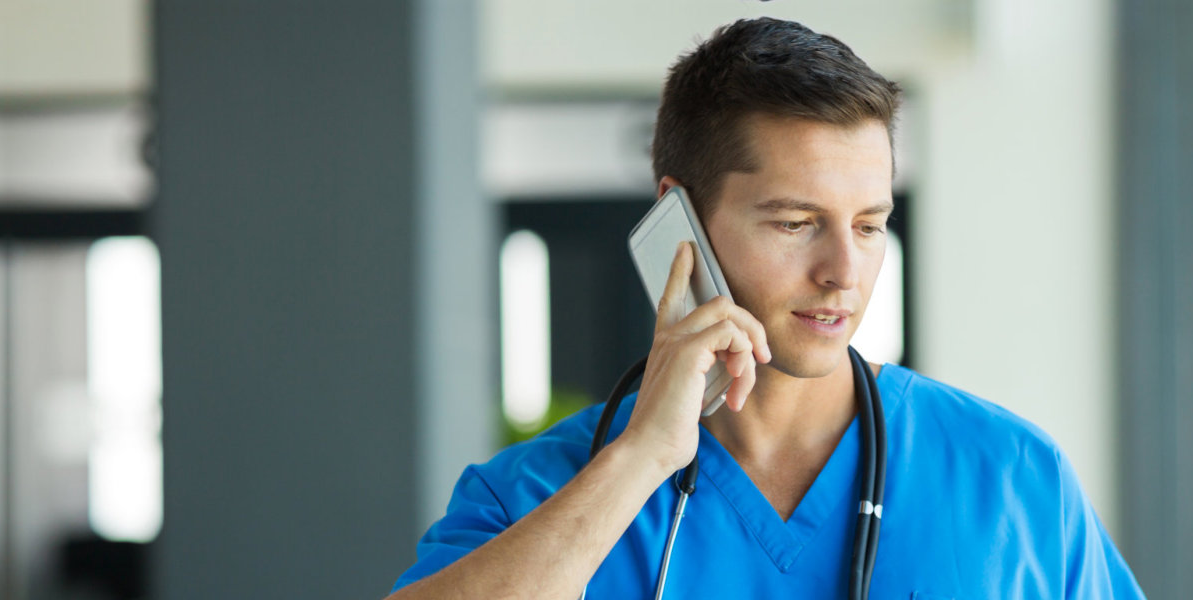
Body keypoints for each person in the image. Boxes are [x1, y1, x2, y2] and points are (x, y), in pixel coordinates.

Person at [388, 17, 1142, 599]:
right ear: (681, 220)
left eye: (869, 226)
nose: (843, 273)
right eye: (795, 223)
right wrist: (642, 459)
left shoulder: (1011, 477)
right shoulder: (534, 495)